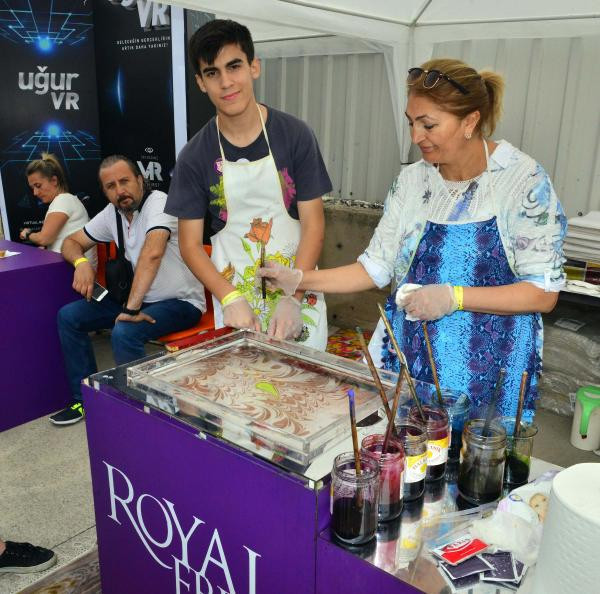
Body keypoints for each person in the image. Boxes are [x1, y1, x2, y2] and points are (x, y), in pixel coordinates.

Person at [259, 59, 567, 422]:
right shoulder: (412, 183)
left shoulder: (522, 181)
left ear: (470, 121)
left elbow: (542, 293)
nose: (416, 136)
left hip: (494, 369)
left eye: (428, 125)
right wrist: (300, 279)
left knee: (477, 454)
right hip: (414, 361)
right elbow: (374, 268)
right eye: (411, 123)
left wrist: (455, 297)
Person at [165, 19, 332, 350]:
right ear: (200, 82)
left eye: (234, 66)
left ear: (254, 67)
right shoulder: (194, 156)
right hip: (236, 305)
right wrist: (228, 296)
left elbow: (314, 225)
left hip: (298, 297)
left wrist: (293, 296)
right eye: (212, 73)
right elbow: (189, 245)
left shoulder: (295, 135)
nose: (226, 82)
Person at [51, 155, 206, 426]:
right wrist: (81, 263)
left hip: (180, 303)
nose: (120, 190)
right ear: (105, 192)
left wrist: (131, 309)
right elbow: (71, 242)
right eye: (111, 186)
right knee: (69, 316)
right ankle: (83, 400)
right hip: (137, 299)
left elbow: (153, 252)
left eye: (124, 181)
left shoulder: (160, 203)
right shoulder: (112, 213)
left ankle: (143, 412)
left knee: (125, 331)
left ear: (140, 180)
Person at [19, 154, 96, 266]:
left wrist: (27, 234)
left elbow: (44, 239)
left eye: (38, 185)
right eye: (32, 188)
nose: (35, 193)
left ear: (54, 180)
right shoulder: (67, 199)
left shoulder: (63, 200)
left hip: (74, 272)